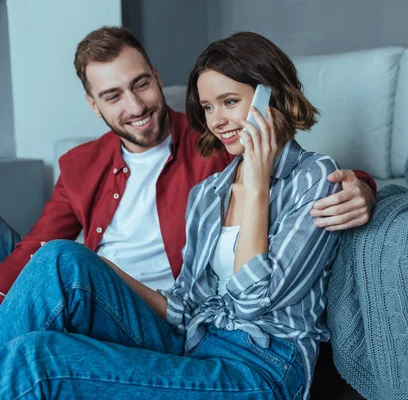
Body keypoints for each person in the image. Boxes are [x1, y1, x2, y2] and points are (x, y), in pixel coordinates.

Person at [0, 30, 344, 399]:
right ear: (93, 104)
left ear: (269, 97)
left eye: (230, 102)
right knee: (59, 257)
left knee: (34, 362)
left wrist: (261, 184)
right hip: (192, 341)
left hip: (262, 364)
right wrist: (100, 269)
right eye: (209, 108)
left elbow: (253, 301)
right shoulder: (209, 194)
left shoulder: (309, 178)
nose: (217, 121)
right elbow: (187, 307)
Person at [0, 26, 376, 303]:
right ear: (93, 105)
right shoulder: (81, 164)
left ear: (157, 77)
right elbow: (37, 244)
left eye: (141, 84)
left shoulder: (212, 142)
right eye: (113, 96)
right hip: (94, 292)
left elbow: (287, 167)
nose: (135, 107)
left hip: (159, 309)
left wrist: (361, 185)